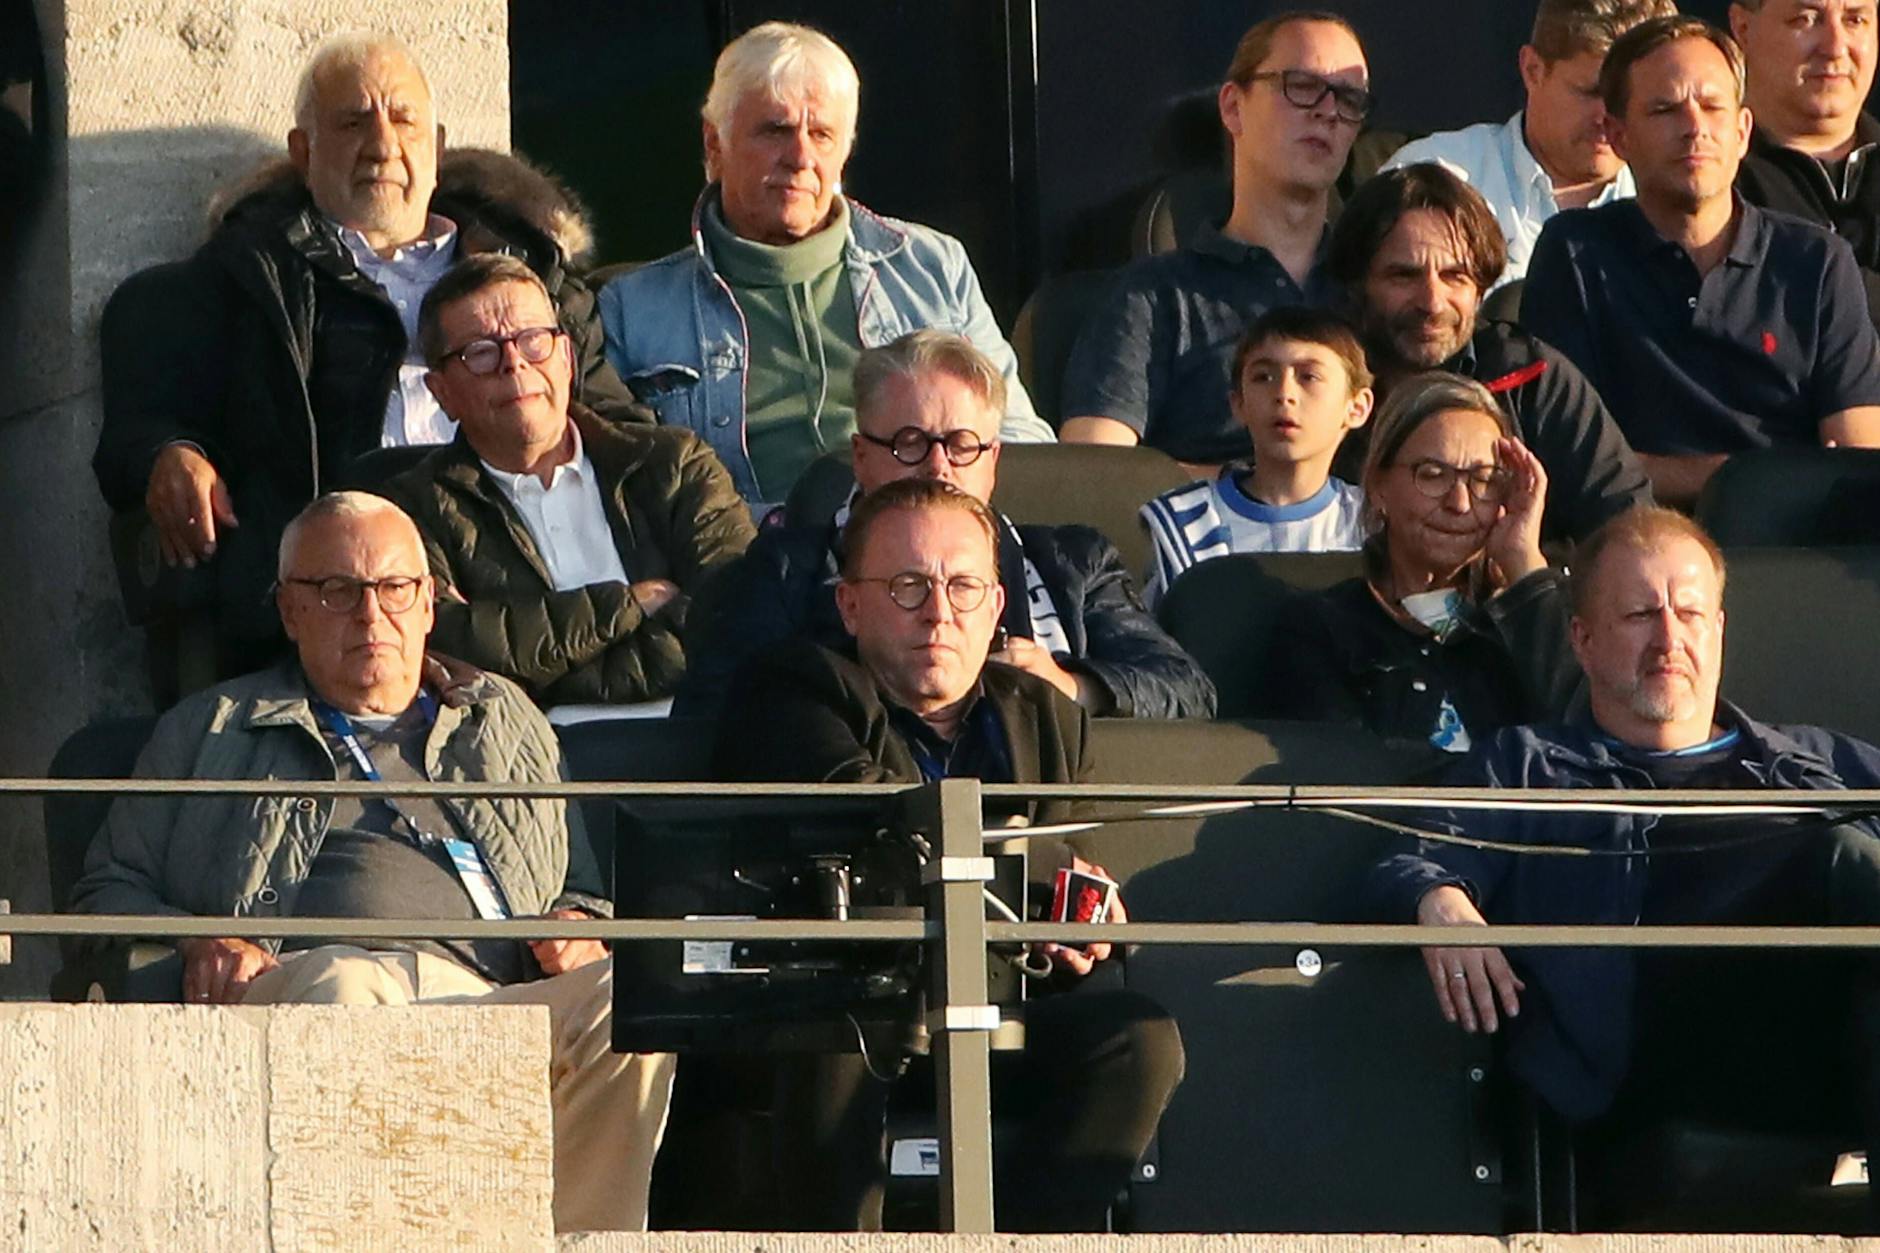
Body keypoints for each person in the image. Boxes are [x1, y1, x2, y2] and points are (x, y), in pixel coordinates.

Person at [67, 492, 671, 1232]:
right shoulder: (211, 727)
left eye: (394, 589)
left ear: (427, 606)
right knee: (347, 992)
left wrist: (579, 923)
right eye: (338, 591)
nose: (370, 614)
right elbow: (104, 890)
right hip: (312, 979)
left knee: (632, 993)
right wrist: (200, 942)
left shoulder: (508, 720)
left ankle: (570, 1240)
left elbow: (579, 886)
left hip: (488, 995)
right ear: (289, 611)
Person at [1370, 505, 1880, 1225]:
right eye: (1641, 614)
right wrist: (1442, 900)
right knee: (1843, 854)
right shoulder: (1529, 767)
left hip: (1813, 1042)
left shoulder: (1816, 762)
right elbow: (1414, 848)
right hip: (1644, 1050)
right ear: (1581, 639)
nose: (1670, 638)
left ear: (1720, 630)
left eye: (1691, 613)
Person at [716, 477, 1185, 1232]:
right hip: (846, 1007)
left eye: (964, 585)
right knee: (843, 1026)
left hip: (998, 1003)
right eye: (908, 586)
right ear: (850, 604)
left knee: (1138, 1036)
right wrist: (1041, 876)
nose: (939, 611)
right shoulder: (795, 687)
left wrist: (1084, 915)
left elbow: (1063, 859)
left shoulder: (1045, 714)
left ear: (997, 607)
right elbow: (879, 823)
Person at [92, 34, 639, 675]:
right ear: (304, 152)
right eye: (353, 122)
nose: (383, 145)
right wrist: (171, 452)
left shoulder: (534, 279)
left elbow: (619, 433)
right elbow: (141, 428)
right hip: (347, 597)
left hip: (528, 587)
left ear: (436, 150)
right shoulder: (247, 286)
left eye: (403, 120)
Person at [598, 21, 1053, 511]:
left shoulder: (931, 266)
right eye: (775, 130)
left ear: (846, 149)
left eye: (822, 134)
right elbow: (625, 501)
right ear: (714, 143)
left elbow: (1020, 440)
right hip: (745, 565)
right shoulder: (631, 309)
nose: (801, 156)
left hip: (924, 546)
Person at [677, 330, 1215, 719]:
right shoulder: (785, 570)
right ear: (861, 457)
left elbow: (1187, 691)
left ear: (993, 460)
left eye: (962, 446)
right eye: (910, 443)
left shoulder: (1074, 561)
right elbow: (714, 715)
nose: (938, 467)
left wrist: (1071, 688)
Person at [1524, 15, 1880, 507]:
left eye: (1712, 107)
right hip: (1634, 552)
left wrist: (1683, 474)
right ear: (1619, 136)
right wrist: (1754, 478)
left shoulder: (1818, 262)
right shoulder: (1575, 253)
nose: (1695, 129)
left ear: (1742, 131)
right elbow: (1570, 460)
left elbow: (1857, 466)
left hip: (1800, 556)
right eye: (1666, 109)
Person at [380, 254, 754, 717]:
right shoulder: (411, 511)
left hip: (703, 740)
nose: (514, 364)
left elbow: (739, 614)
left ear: (566, 358)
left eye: (532, 340)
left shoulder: (672, 464)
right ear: (442, 392)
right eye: (481, 352)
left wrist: (543, 676)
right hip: (529, 765)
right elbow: (447, 644)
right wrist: (628, 604)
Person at [1059, 11, 1370, 470]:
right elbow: (1093, 473)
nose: (1327, 111)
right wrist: (1254, 492)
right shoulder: (1155, 295)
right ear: (1232, 107)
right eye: (1301, 86)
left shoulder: (1379, 288)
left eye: (1348, 97)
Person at [1326, 162, 1651, 543]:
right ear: (1357, 285)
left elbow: (1628, 528)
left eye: (1455, 277)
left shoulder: (1533, 379)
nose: (1432, 302)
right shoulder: (1315, 382)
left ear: (1481, 291)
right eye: (1404, 276)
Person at [1267, 373, 1579, 752]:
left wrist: (1524, 564)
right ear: (1378, 485)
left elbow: (1590, 730)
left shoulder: (1542, 616)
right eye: (1432, 475)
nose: (1460, 503)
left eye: (1484, 480)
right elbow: (1343, 771)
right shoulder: (1319, 629)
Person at [1381, 0, 1676, 288]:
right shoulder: (1431, 178)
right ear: (1532, 69)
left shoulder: (1681, 201)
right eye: (1590, 92)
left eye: (1625, 98)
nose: (1607, 116)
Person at [1138, 307, 1374, 610]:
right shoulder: (1186, 523)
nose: (1284, 393)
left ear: (1356, 407)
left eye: (1309, 376)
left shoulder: (1370, 524)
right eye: (1263, 377)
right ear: (1238, 404)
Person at [1732, 0, 1880, 323]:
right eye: (1806, 20)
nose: (1835, 47)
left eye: (1855, 19)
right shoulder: (1708, 177)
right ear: (1743, 28)